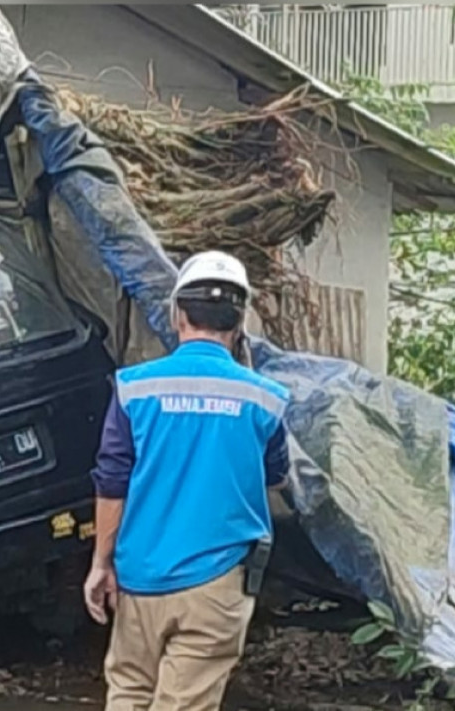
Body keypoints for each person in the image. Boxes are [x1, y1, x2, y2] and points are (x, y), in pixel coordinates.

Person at [84, 250, 290, 711]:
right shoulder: (266, 398)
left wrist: (102, 563)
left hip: (140, 578)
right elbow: (275, 477)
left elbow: (112, 480)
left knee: (129, 693)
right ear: (240, 321)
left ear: (178, 313)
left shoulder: (134, 388)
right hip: (217, 582)